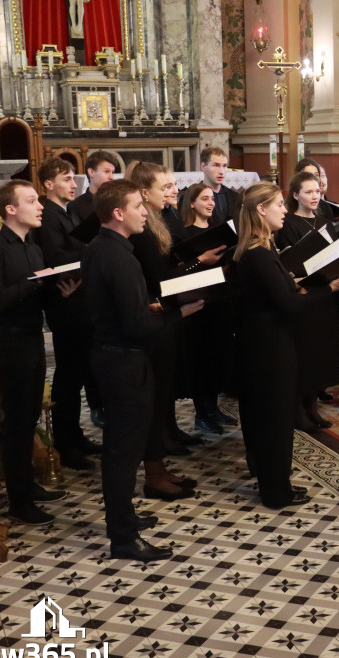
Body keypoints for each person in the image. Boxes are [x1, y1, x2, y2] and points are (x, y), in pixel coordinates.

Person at [82, 179, 204, 561]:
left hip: (114, 355)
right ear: (118, 213)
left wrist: (150, 309)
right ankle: (123, 538)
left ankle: (126, 519)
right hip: (125, 361)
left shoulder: (101, 247)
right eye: (138, 205)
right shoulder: (119, 256)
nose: (145, 212)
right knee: (123, 453)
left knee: (124, 449)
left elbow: (125, 311)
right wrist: (177, 312)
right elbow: (136, 325)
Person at [233, 181, 339, 508]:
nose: (284, 210)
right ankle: (275, 491)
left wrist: (296, 282)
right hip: (269, 349)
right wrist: (329, 289)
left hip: (267, 343)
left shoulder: (262, 249)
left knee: (273, 419)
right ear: (260, 210)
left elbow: (278, 290)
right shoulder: (258, 254)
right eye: (279, 204)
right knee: (274, 421)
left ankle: (277, 483)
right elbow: (287, 304)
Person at [128, 164, 225, 500]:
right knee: (154, 397)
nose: (171, 191)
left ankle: (160, 466)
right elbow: (159, 277)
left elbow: (168, 268)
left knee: (164, 389)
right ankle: (153, 472)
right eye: (164, 186)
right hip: (155, 315)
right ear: (144, 192)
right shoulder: (142, 229)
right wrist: (199, 265)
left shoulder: (157, 221)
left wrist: (195, 266)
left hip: (165, 312)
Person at [0, 180, 68, 525]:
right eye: (32, 200)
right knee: (16, 422)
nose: (40, 206)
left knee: (28, 419)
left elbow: (38, 295)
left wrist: (61, 289)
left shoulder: (34, 247)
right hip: (9, 341)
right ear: (10, 209)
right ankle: (19, 502)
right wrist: (34, 281)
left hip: (31, 338)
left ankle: (27, 485)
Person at [36, 157, 102, 471]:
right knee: (68, 375)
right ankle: (65, 443)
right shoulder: (48, 215)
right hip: (65, 300)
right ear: (48, 184)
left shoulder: (71, 210)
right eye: (66, 179)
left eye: (73, 178)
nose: (73, 184)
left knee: (78, 373)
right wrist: (92, 248)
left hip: (80, 296)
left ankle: (75, 435)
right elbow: (54, 257)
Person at [279, 171, 339, 431]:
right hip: (304, 295)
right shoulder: (288, 223)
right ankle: (298, 410)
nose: (315, 196)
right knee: (303, 353)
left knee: (320, 351)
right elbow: (290, 263)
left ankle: (313, 405)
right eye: (308, 192)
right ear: (295, 195)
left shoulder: (327, 222)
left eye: (317, 191)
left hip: (326, 293)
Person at [179, 183, 237, 435]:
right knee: (200, 360)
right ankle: (202, 413)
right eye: (204, 198)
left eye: (212, 198)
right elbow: (181, 271)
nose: (210, 202)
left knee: (217, 358)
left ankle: (213, 409)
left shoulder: (218, 230)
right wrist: (202, 262)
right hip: (197, 304)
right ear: (192, 203)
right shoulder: (183, 234)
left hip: (221, 301)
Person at [179, 146, 242, 231]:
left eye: (224, 166)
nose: (221, 171)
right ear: (203, 166)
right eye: (216, 165)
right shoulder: (189, 196)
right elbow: (184, 229)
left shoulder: (235, 196)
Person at [69, 150, 119, 229]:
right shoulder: (75, 206)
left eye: (112, 172)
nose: (111, 177)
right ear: (91, 172)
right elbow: (79, 239)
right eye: (107, 171)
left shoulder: (119, 201)